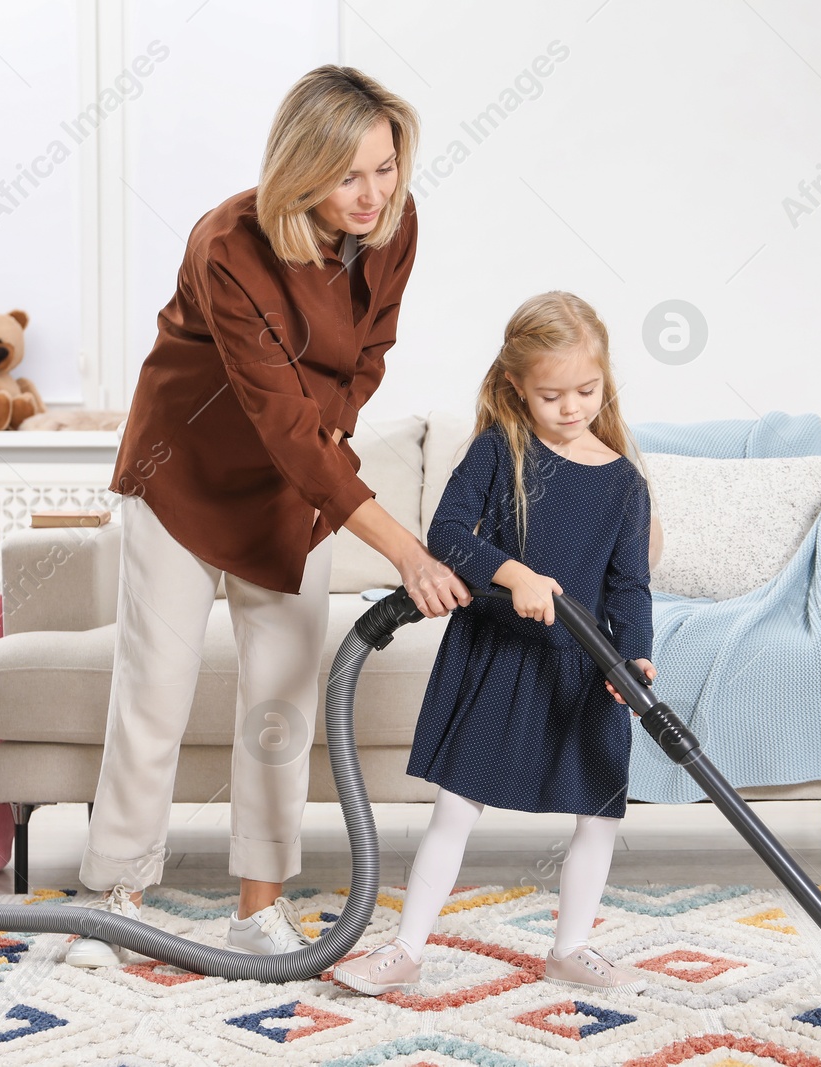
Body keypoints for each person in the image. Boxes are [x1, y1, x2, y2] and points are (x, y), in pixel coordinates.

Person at [64, 67, 470, 968]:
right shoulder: (228, 246)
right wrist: (405, 548)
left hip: (297, 487)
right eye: (349, 175)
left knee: (279, 708)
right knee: (153, 694)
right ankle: (116, 905)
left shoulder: (393, 228)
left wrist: (337, 430)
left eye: (386, 169)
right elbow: (279, 420)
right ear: (301, 170)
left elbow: (368, 357)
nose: (373, 195)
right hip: (186, 475)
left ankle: (258, 909)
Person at [331, 291, 658, 996]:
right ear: (516, 385)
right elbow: (448, 535)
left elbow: (630, 584)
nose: (572, 408)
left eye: (587, 390)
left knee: (598, 817)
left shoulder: (626, 483)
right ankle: (407, 948)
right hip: (501, 655)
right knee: (455, 810)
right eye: (552, 394)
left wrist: (635, 656)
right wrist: (516, 574)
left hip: (586, 665)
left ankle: (572, 947)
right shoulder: (499, 448)